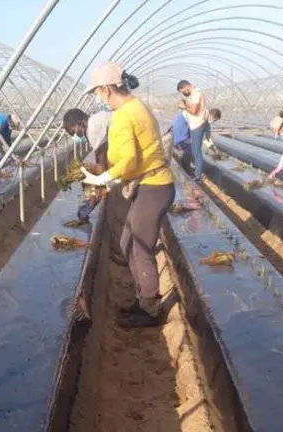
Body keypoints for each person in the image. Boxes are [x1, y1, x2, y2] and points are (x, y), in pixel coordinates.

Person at [81, 62, 175, 328]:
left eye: (99, 93)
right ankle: (143, 295)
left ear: (107, 89)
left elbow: (130, 161)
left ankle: (150, 308)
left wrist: (102, 179)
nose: (99, 98)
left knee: (140, 248)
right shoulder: (137, 107)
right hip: (152, 185)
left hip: (154, 186)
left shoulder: (124, 114)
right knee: (127, 244)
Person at [62, 108, 110, 221]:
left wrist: (95, 192)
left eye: (73, 132)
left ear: (80, 123)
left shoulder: (93, 129)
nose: (75, 136)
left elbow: (103, 163)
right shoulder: (95, 121)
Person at [177, 79, 209, 180]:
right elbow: (195, 108)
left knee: (196, 151)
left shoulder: (196, 94)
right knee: (196, 150)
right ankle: (198, 172)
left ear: (185, 87)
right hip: (198, 125)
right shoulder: (196, 94)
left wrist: (184, 107)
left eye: (183, 91)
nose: (184, 93)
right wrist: (186, 104)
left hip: (197, 126)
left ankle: (198, 175)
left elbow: (194, 111)